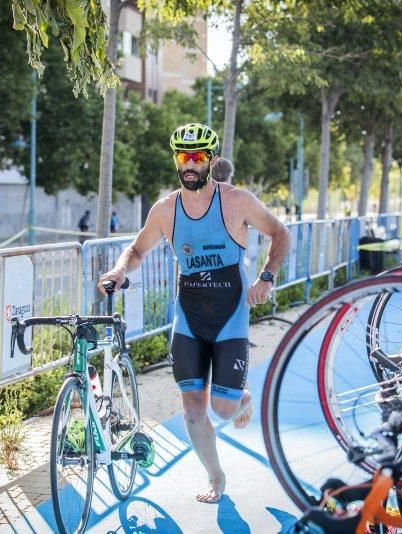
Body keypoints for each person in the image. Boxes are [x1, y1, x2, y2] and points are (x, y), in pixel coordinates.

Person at [98, 123, 290, 504]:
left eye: (197, 157)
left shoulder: (237, 201)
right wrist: (121, 269)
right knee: (192, 410)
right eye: (183, 157)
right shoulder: (165, 209)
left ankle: (241, 397)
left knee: (222, 409)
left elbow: (280, 233)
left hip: (230, 315)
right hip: (188, 318)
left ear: (211, 160)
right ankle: (216, 477)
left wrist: (266, 278)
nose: (189, 164)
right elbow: (137, 251)